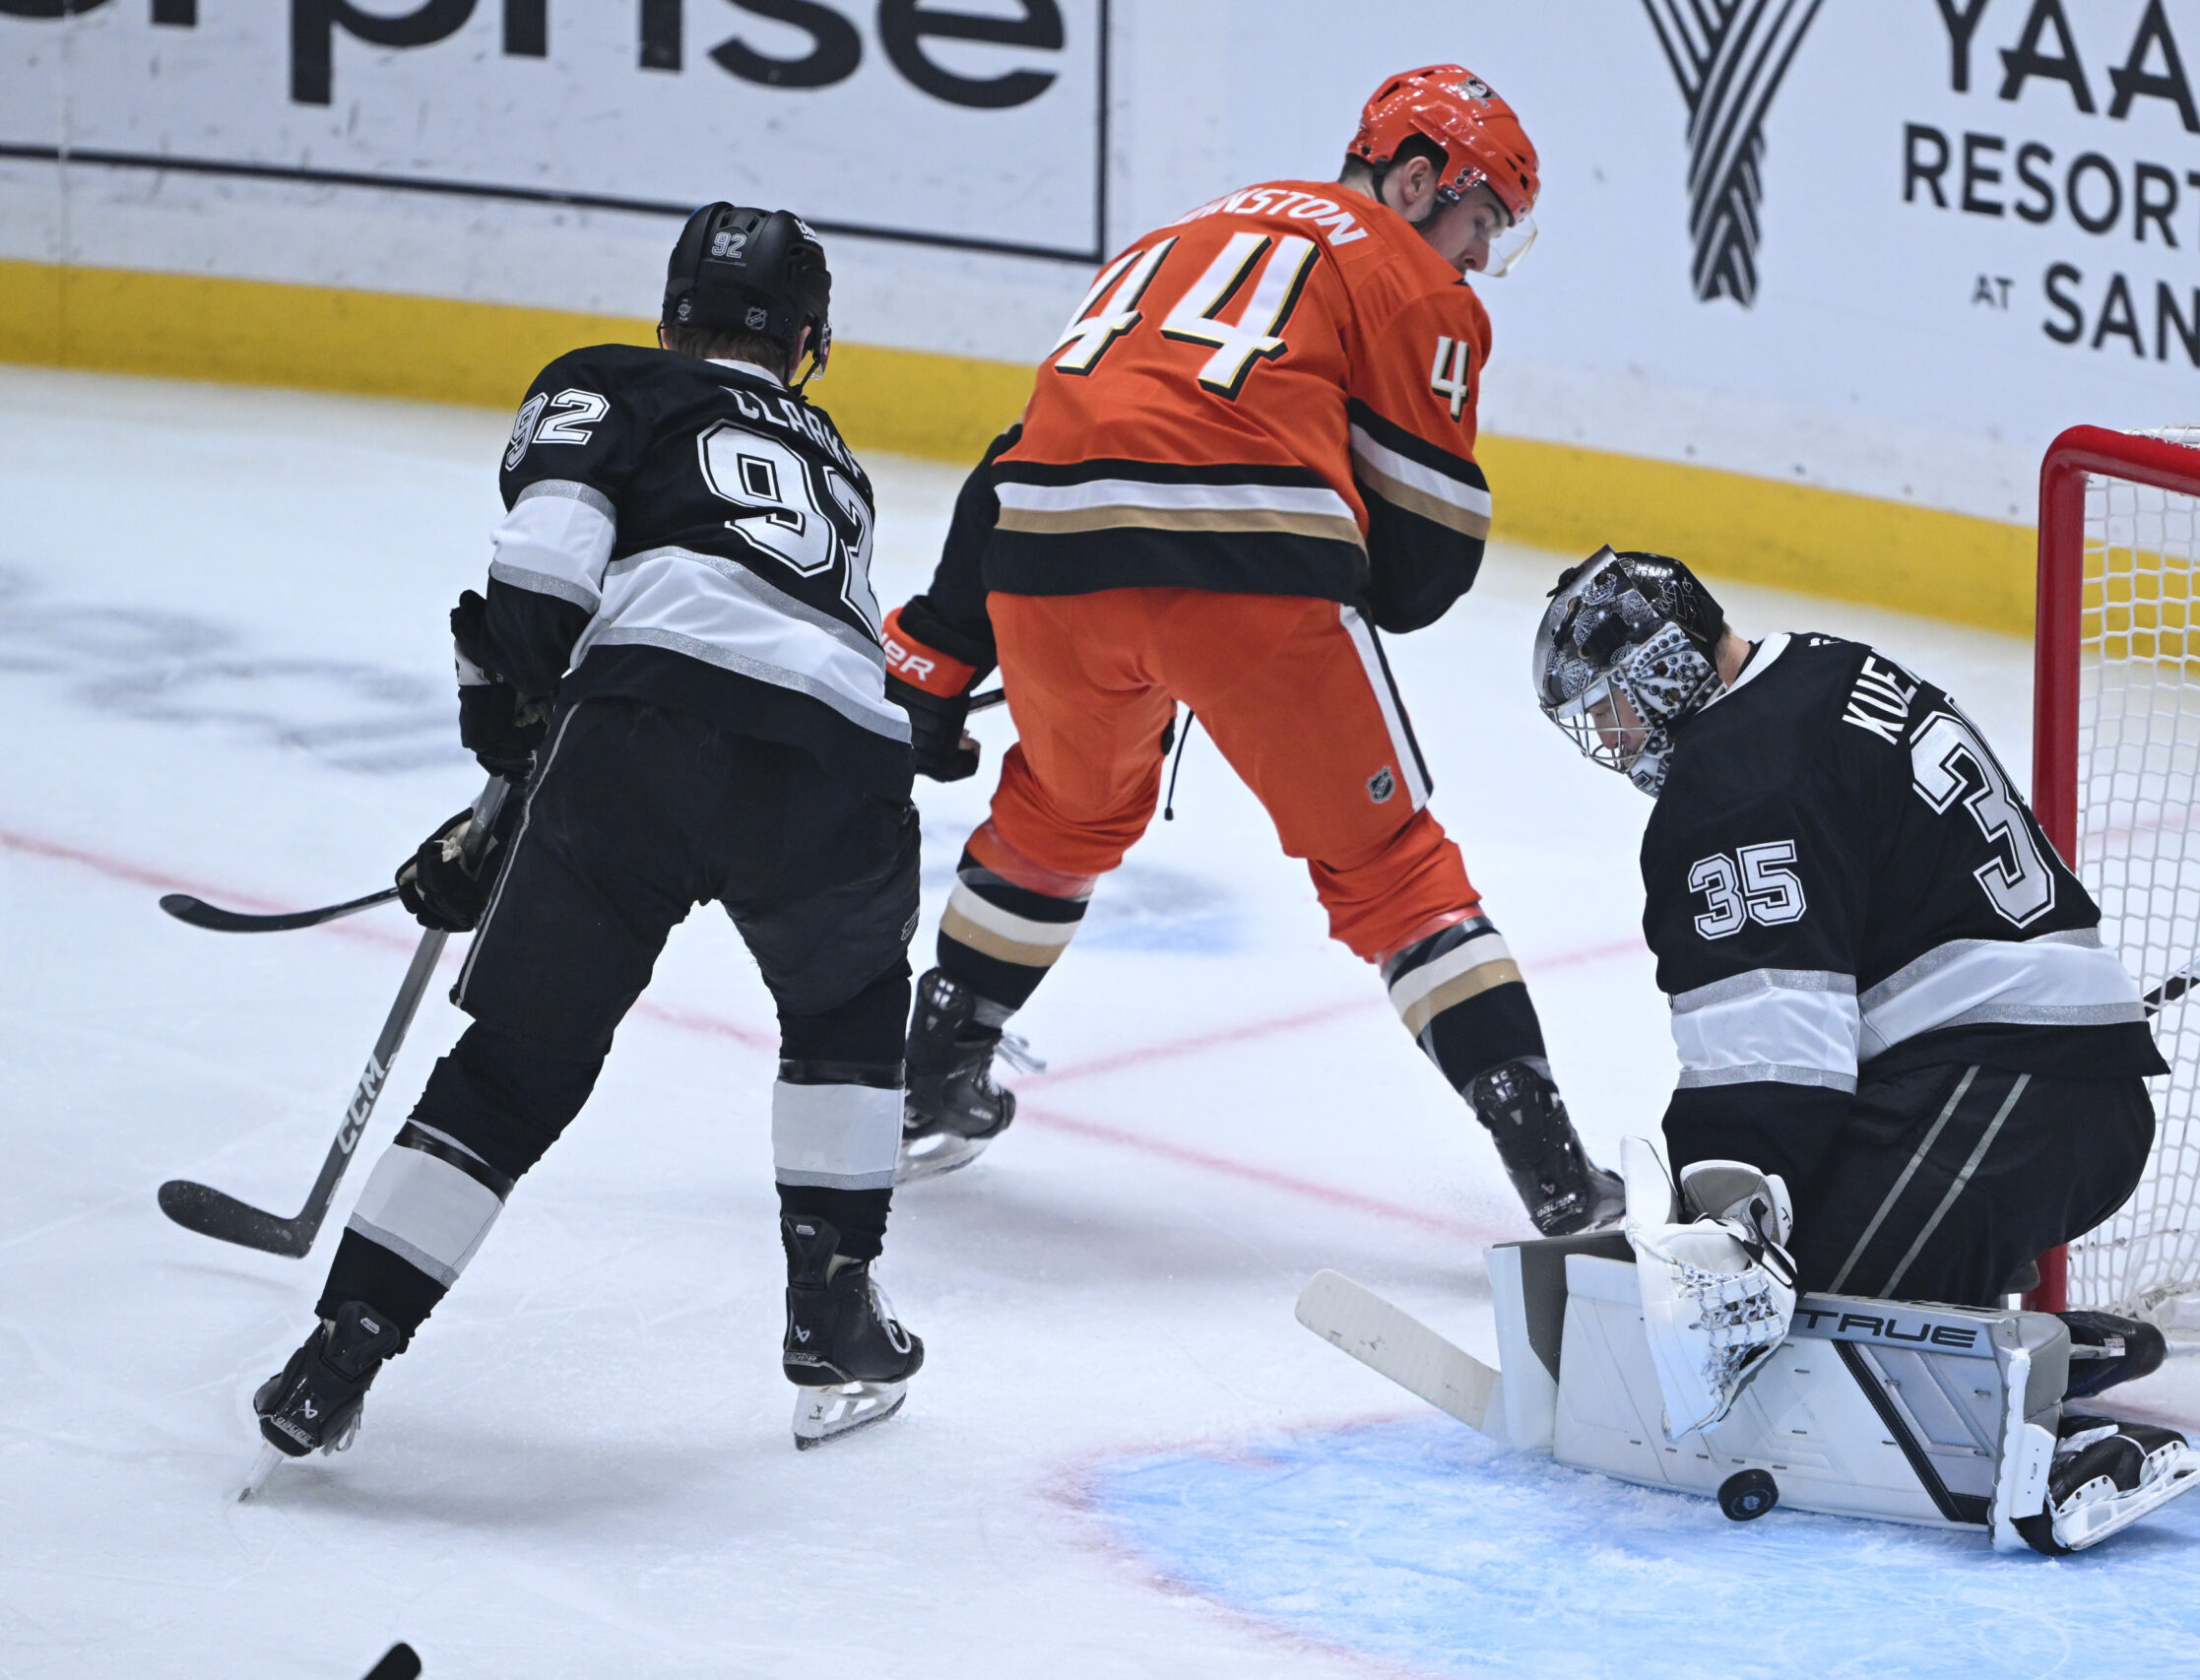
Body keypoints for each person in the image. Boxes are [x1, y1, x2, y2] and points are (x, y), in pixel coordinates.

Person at [875, 66, 1622, 1236]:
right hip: (1246, 568)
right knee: (1389, 866)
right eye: (1481, 223)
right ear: (1417, 178)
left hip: (1047, 563)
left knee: (1060, 820)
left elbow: (1017, 456)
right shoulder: (1408, 277)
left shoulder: (1172, 239)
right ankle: (1557, 1171)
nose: (1477, 259)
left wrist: (935, 648)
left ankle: (931, 1079)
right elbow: (1423, 572)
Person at [252, 204, 925, 1467]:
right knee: (842, 1020)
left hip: (642, 742)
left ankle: (340, 1349)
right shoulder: (835, 458)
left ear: (675, 310)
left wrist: (501, 803)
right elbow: (790, 639)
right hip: (841, 763)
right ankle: (833, 1311)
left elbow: (537, 602)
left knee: (516, 1066)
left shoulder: (608, 382)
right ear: (807, 342)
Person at [1531, 546, 2200, 1549]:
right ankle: (2011, 1330)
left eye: (1613, 705)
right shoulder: (1824, 667)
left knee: (1790, 1327)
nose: (1615, 737)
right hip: (2048, 1079)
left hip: (2004, 1095)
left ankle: (2034, 1408)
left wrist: (1716, 1221)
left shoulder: (1733, 780)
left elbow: (1774, 1060)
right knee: (1803, 1276)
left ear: (1666, 666)